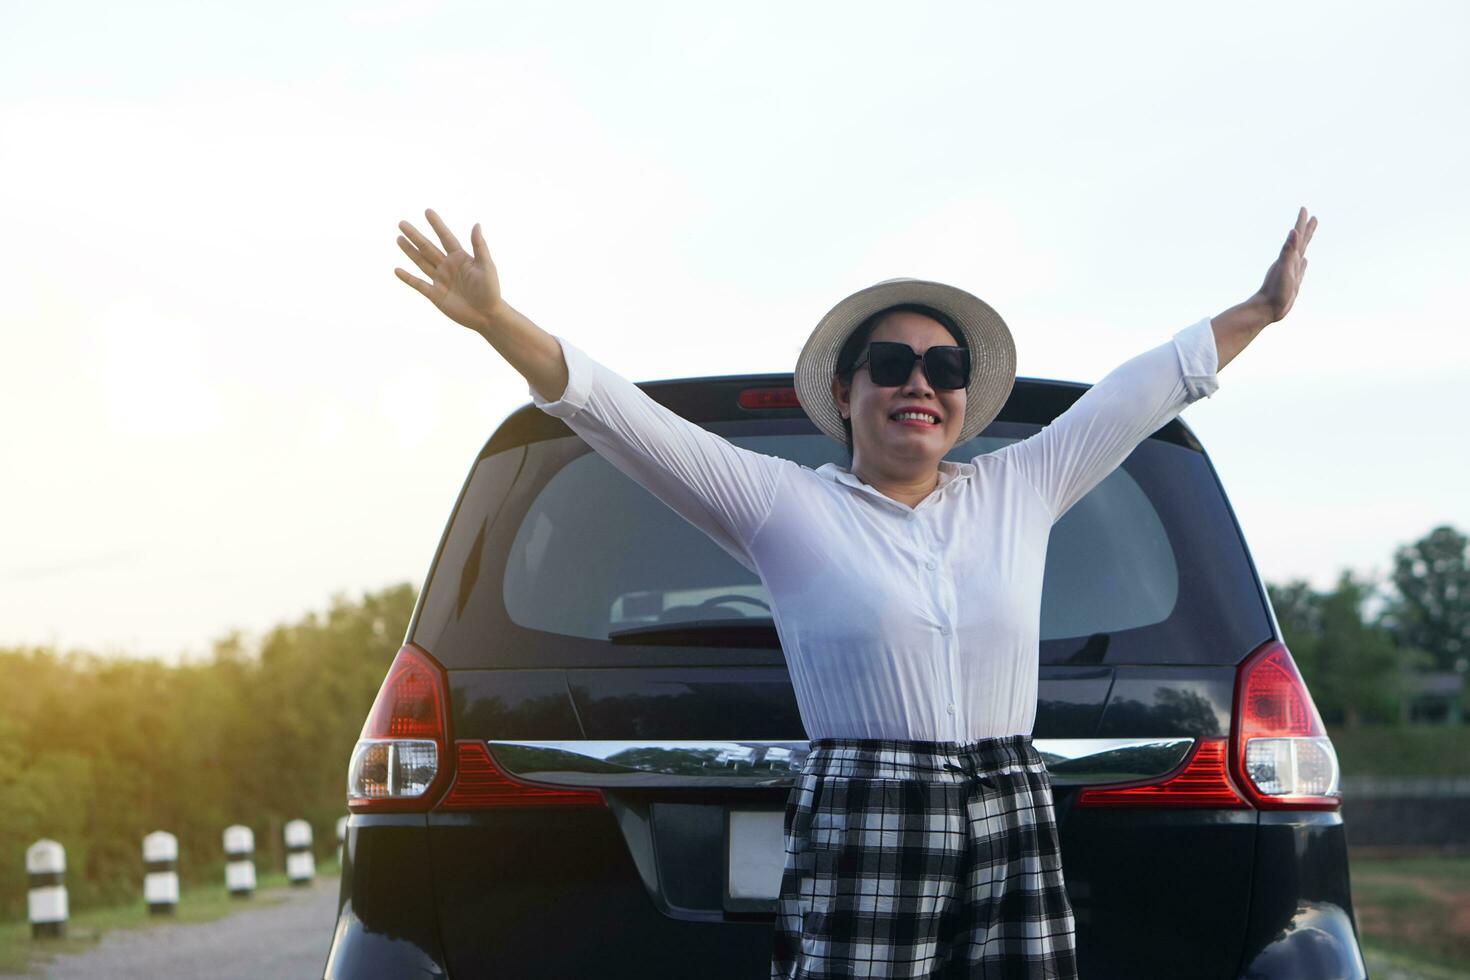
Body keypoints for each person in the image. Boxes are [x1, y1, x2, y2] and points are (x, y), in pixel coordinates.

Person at [393, 207, 1317, 979]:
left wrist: (1261, 312)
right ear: (846, 390)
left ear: (962, 399)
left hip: (1010, 796)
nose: (919, 383)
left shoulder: (1023, 487)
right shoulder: (780, 506)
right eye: (892, 364)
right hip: (866, 802)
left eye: (944, 369)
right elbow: (617, 416)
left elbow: (1148, 389)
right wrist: (496, 319)